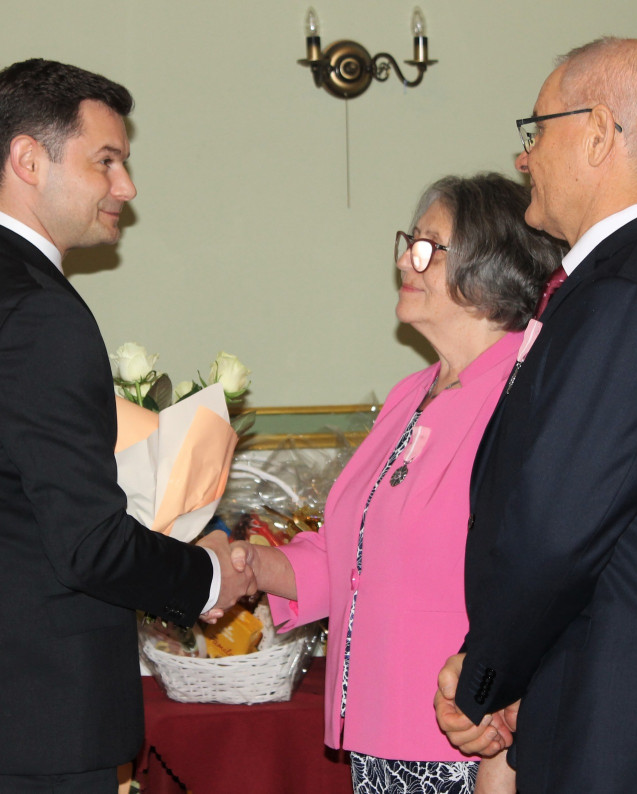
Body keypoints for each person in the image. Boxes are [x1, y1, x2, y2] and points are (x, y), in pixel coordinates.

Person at [0, 58, 253, 794]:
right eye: (106, 161)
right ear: (27, 158)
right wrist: (206, 577)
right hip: (27, 723)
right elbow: (88, 547)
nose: (126, 187)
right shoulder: (38, 312)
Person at [433, 37, 637, 793]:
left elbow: (554, 532)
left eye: (537, 130)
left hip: (632, 737)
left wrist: (482, 680)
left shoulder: (629, 295)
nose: (524, 158)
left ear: (596, 133)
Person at [232, 172, 564, 793]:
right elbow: (352, 557)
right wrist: (249, 563)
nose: (404, 261)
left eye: (427, 246)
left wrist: (507, 716)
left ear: (491, 268)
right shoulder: (410, 395)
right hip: (383, 731)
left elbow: (545, 577)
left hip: (470, 739)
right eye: (408, 242)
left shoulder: (528, 394)